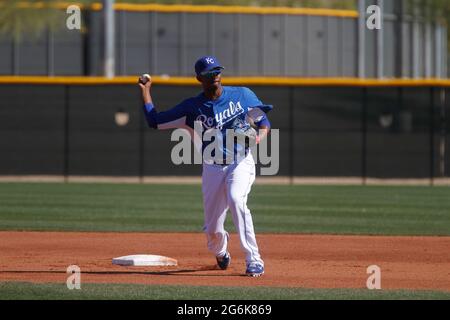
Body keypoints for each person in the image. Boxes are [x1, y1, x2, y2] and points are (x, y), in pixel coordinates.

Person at [139, 56, 272, 277]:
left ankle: (254, 260)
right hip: (212, 168)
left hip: (240, 162)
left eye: (217, 71)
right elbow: (155, 121)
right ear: (200, 78)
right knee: (213, 230)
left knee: (237, 199)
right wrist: (145, 90)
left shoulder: (241, 95)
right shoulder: (191, 108)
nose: (215, 75)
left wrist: (259, 137)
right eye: (210, 73)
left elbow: (263, 121)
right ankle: (221, 253)